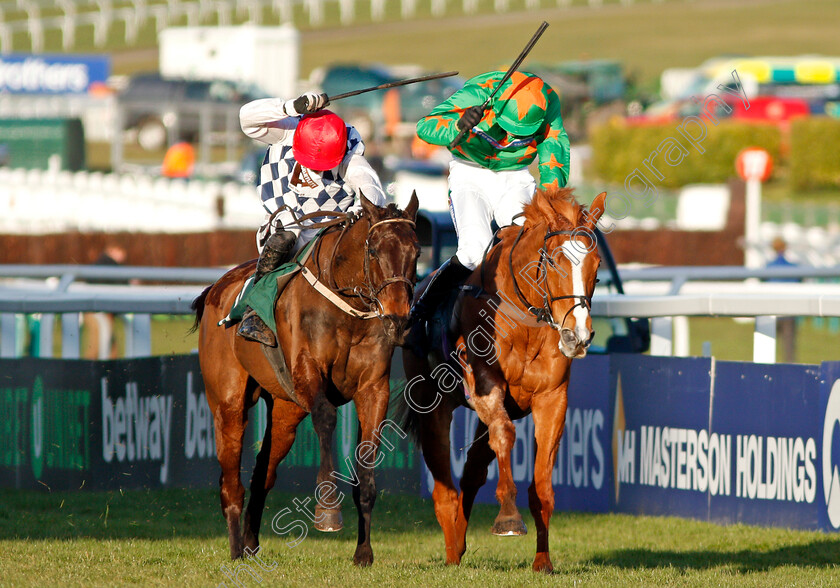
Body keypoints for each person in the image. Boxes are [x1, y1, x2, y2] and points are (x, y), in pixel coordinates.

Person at [410, 70, 570, 323]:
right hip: (469, 172)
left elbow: (554, 151)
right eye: (509, 128)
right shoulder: (480, 91)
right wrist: (458, 124)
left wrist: (549, 201)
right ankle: (421, 312)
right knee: (473, 251)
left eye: (522, 132)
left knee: (531, 240)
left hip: (515, 175)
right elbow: (425, 127)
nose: (514, 138)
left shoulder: (548, 100)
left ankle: (549, 317)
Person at [236, 91, 388, 346]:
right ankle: (255, 312)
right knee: (286, 236)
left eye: (323, 163)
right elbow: (246, 118)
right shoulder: (289, 131)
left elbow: (369, 186)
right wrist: (289, 107)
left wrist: (361, 210)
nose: (316, 168)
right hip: (284, 225)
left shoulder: (349, 154)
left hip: (331, 235)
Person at [766, 236, 799, 362]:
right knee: (789, 350)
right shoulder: (793, 267)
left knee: (766, 347)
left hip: (771, 311)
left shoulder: (768, 267)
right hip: (788, 311)